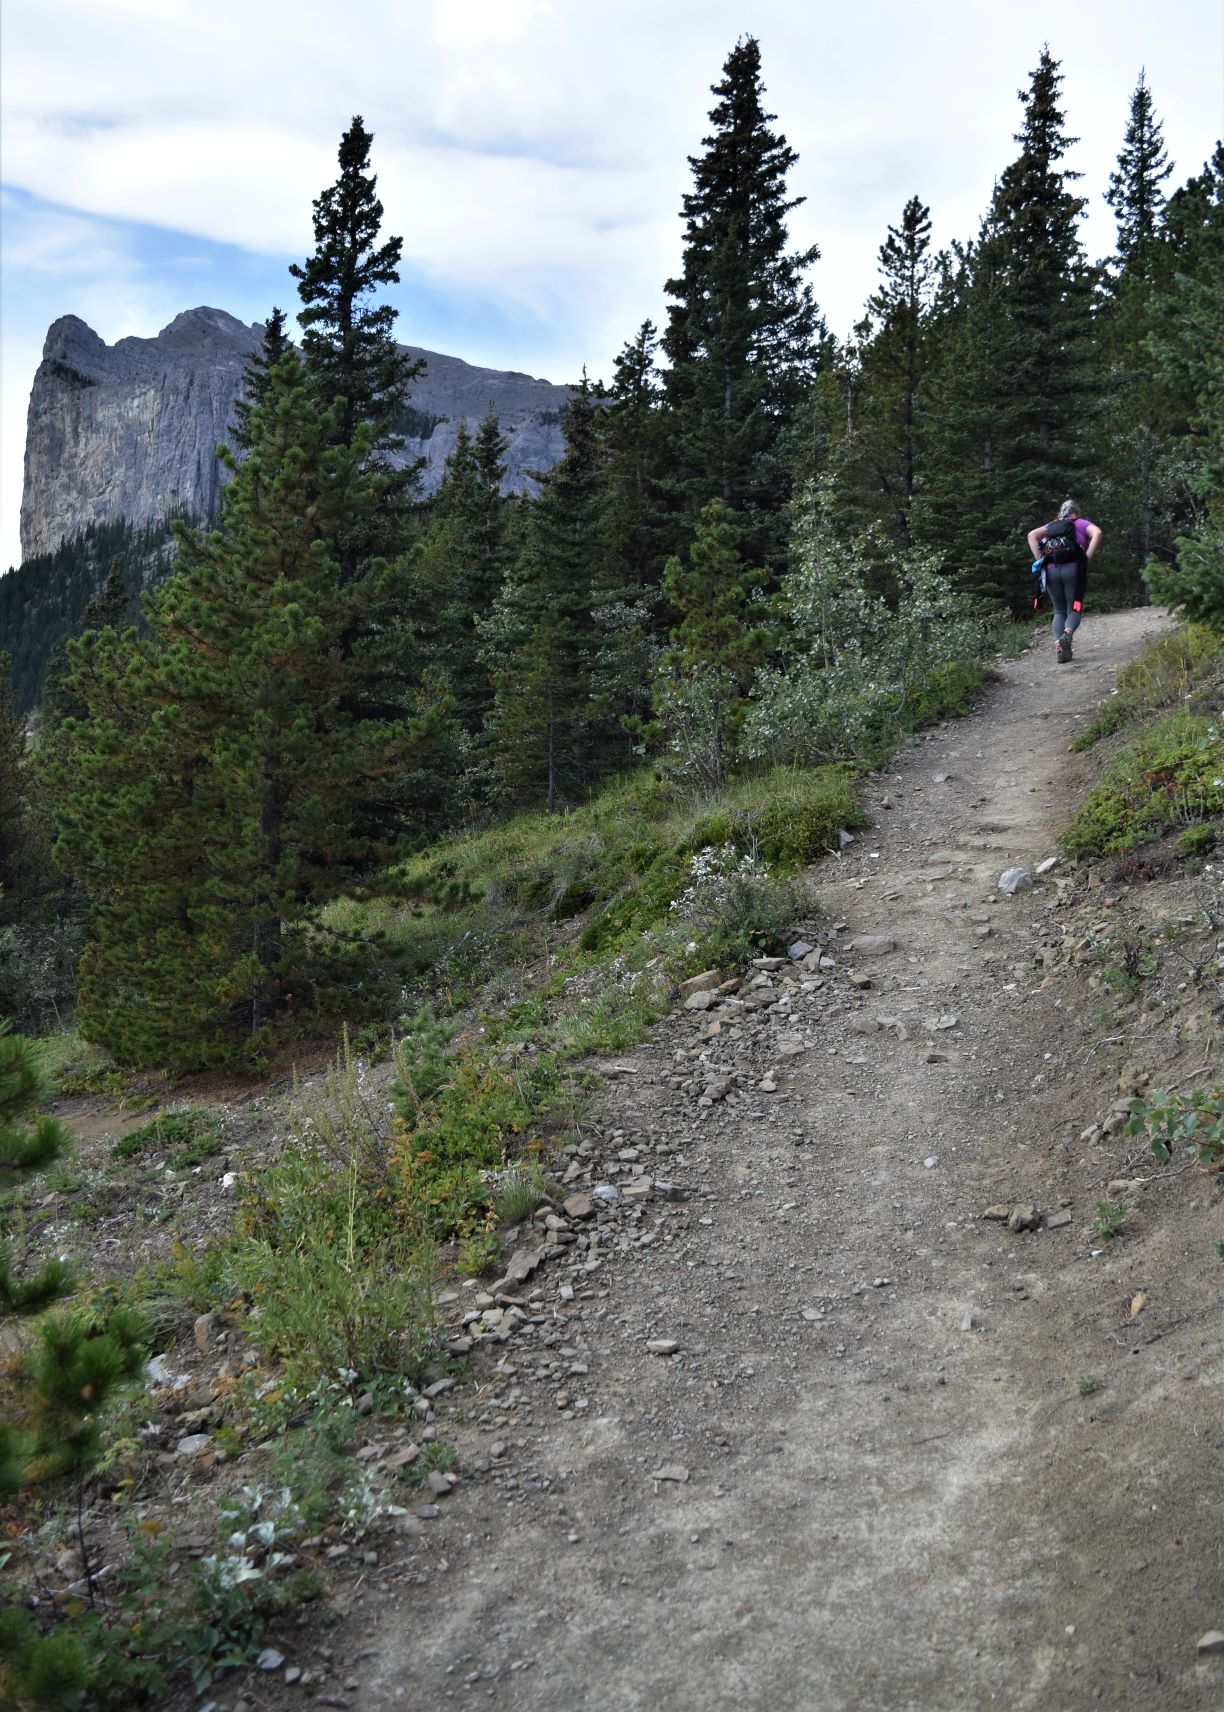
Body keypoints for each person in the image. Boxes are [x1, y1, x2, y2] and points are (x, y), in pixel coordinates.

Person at [1028, 500, 1102, 663]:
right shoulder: (1081, 523)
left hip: (1051, 571)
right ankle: (1067, 635)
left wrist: (1040, 559)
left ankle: (1059, 646)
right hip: (1073, 570)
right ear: (1077, 512)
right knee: (1074, 608)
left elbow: (1031, 535)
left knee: (1059, 611)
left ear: (1061, 513)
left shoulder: (1051, 526)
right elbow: (1097, 533)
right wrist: (1087, 557)